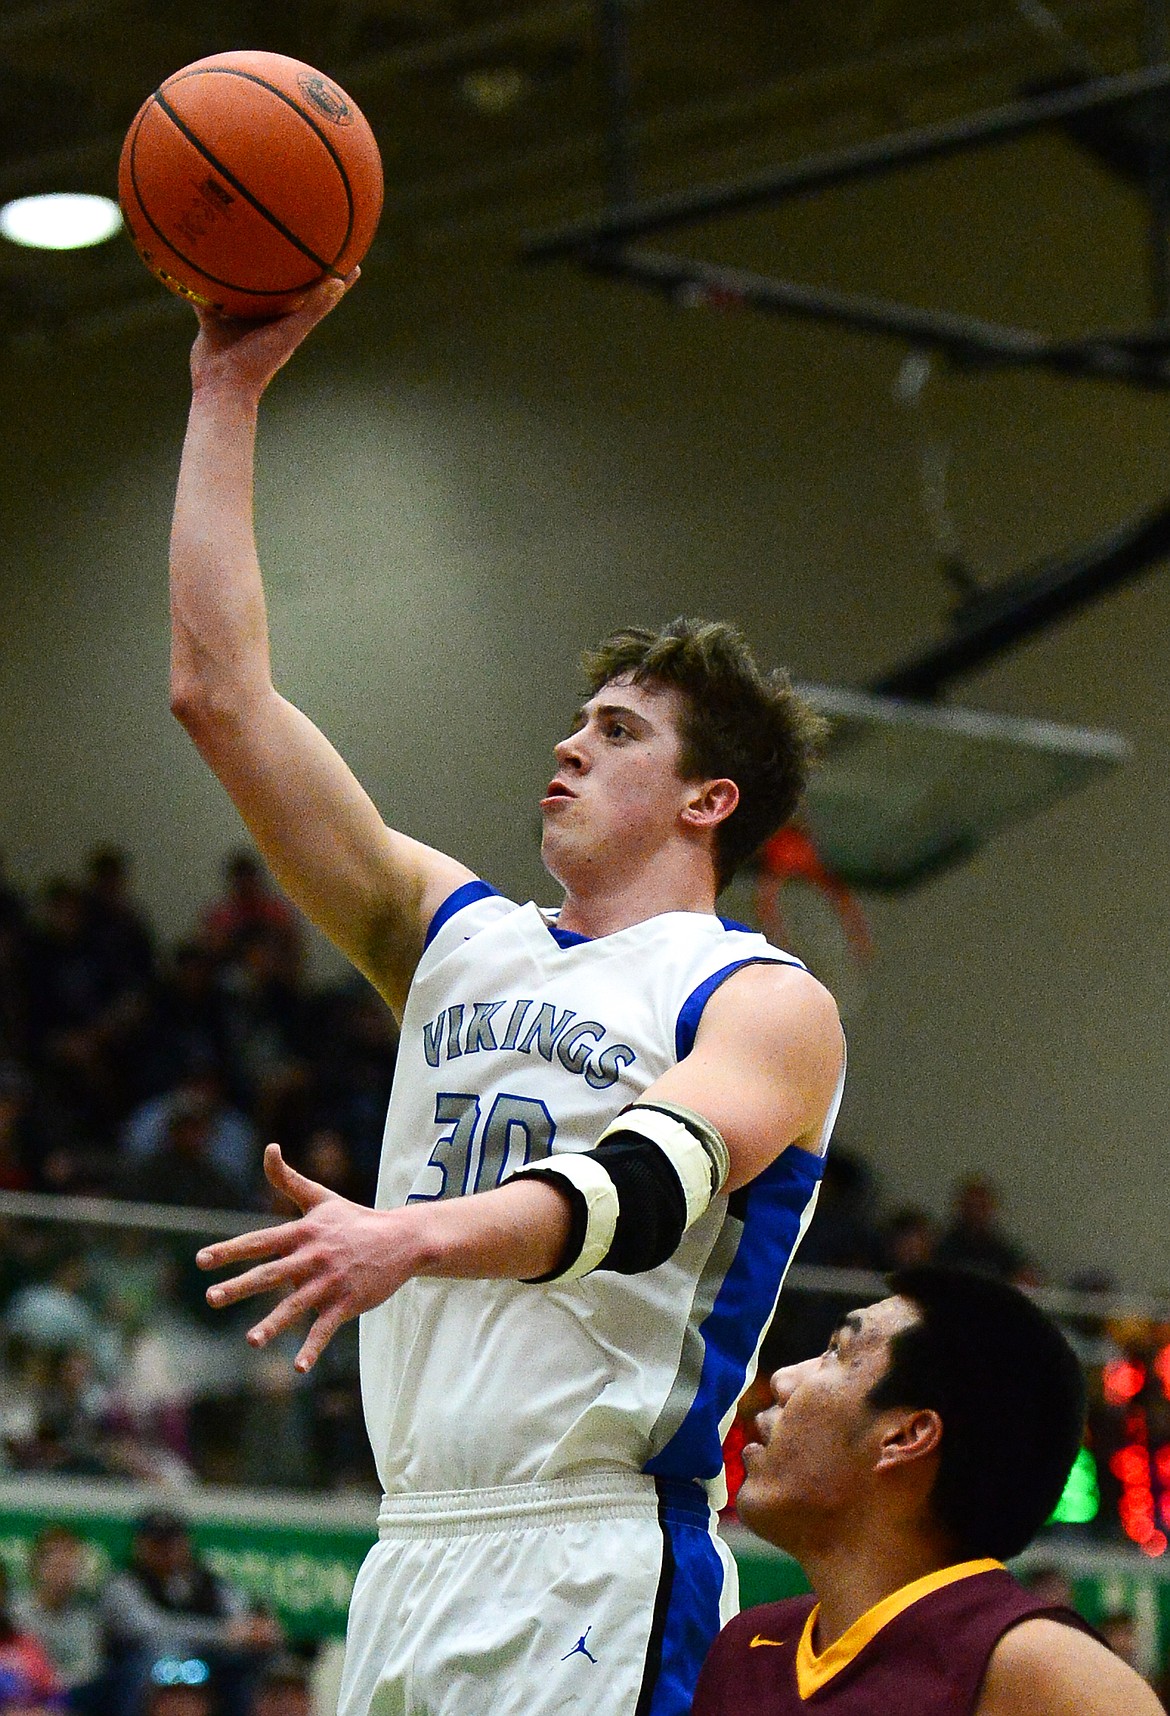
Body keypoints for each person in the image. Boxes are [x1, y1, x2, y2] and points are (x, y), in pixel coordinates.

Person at [167, 278, 845, 1716]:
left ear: (708, 800)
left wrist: (414, 1237)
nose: (566, 744)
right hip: (409, 1547)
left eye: (616, 732)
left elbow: (644, 1185)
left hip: (591, 1555)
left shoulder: (761, 997)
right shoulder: (451, 933)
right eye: (573, 721)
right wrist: (222, 398)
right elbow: (222, 697)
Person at [690, 1266, 1163, 1716]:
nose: (783, 1378)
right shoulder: (743, 1648)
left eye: (836, 1350)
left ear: (906, 1436)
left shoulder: (1043, 1670)